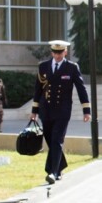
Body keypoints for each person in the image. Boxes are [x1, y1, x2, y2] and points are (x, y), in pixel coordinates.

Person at [30, 40, 91, 185]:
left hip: (62, 110)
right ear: (51, 52)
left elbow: (81, 88)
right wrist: (34, 110)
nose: (57, 55)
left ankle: (53, 172)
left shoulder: (71, 67)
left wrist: (86, 110)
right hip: (46, 109)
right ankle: (60, 165)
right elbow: (38, 89)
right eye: (55, 52)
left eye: (60, 52)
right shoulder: (43, 66)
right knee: (51, 140)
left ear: (65, 52)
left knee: (57, 139)